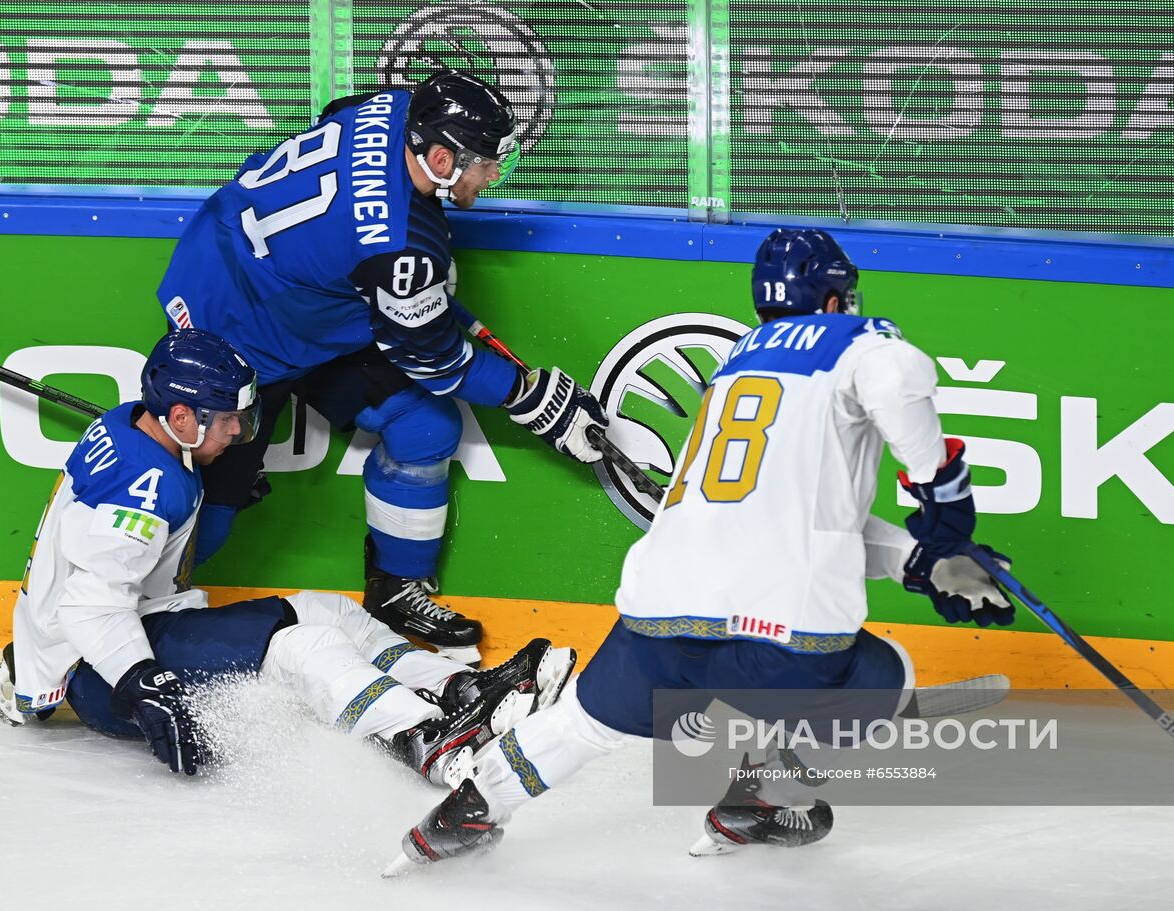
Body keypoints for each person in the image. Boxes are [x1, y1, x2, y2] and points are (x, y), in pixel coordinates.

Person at [389, 228, 1015, 867]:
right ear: (834, 300)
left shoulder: (737, 365)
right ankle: (762, 797)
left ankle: (461, 816)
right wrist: (942, 497)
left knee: (580, 724)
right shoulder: (862, 346)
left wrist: (922, 560)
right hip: (779, 633)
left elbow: (793, 521)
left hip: (658, 616)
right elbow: (892, 382)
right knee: (889, 674)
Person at [0, 329, 576, 785]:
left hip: (130, 626)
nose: (238, 432)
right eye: (228, 421)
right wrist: (145, 686)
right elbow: (90, 606)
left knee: (328, 612)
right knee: (302, 649)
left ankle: (462, 691)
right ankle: (430, 742)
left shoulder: (131, 427)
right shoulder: (144, 490)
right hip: (100, 669)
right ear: (180, 417)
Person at [155, 70, 608, 665]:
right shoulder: (398, 245)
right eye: (487, 163)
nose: (494, 174)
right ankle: (87, 630)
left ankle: (395, 589)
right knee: (197, 519)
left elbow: (334, 115)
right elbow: (440, 363)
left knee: (426, 429)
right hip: (235, 334)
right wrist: (531, 399)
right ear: (441, 157)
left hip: (293, 294)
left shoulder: (395, 108)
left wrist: (399, 285)